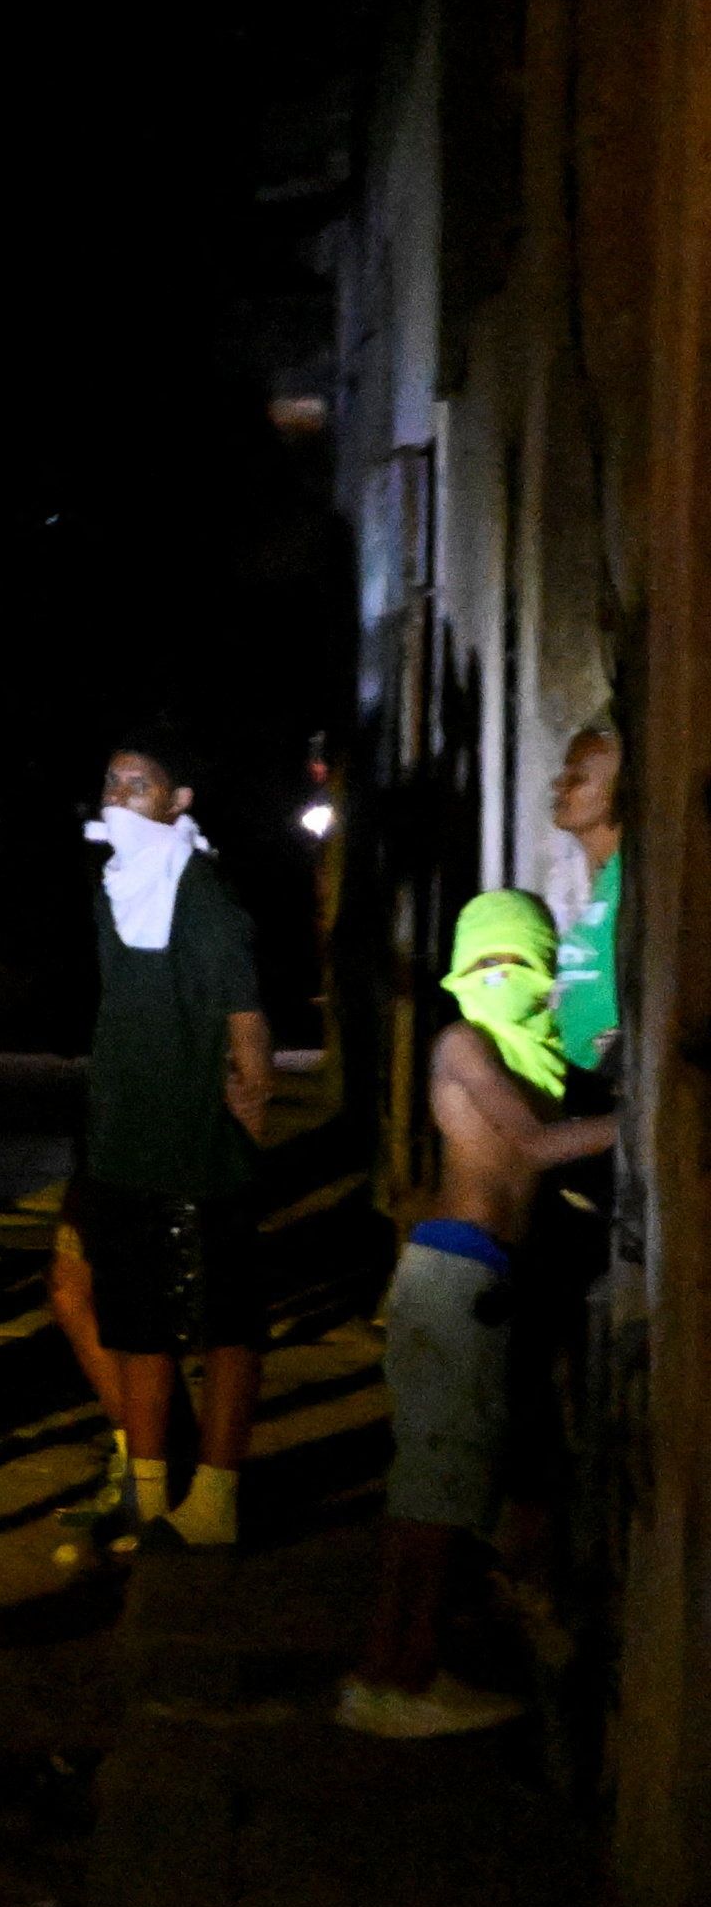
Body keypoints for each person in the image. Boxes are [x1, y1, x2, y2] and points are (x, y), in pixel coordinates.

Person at [347, 891, 616, 1737]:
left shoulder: (519, 1052)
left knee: (432, 1495)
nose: (504, 978)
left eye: (519, 962)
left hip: (469, 1278)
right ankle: (404, 1678)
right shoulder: (463, 1044)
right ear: (463, 970)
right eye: (487, 963)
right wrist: (640, 1111)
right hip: (455, 1281)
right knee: (436, 1501)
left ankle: (387, 1675)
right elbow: (536, 1147)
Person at [47, 734, 272, 1558]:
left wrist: (243, 1145)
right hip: (123, 1147)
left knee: (223, 1327)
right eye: (111, 780)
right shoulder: (116, 885)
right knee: (135, 1323)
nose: (118, 794)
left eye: (140, 784)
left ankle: (214, 1498)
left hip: (198, 1150)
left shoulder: (202, 895)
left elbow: (248, 1035)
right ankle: (150, 1497)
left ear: (178, 804)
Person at [547, 725, 624, 1077]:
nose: (559, 786)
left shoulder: (629, 882)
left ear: (617, 793)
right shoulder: (585, 878)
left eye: (577, 778)